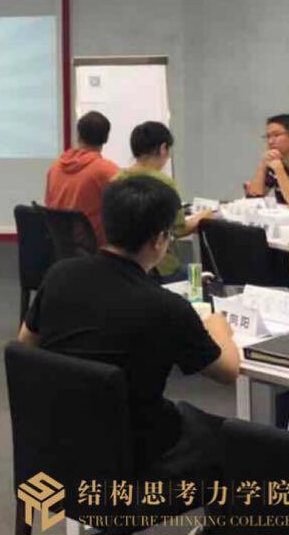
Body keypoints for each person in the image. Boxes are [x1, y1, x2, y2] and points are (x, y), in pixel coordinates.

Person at [19, 176, 239, 477]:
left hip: (59, 439)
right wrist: (219, 328)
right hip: (137, 451)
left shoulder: (59, 274)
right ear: (159, 240)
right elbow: (228, 371)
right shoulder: (166, 307)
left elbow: (25, 345)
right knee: (234, 442)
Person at [111, 121, 213, 277]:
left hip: (123, 266)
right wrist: (204, 216)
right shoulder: (164, 184)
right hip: (159, 268)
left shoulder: (116, 180)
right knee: (205, 277)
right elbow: (178, 229)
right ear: (163, 148)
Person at [44, 111, 120, 244]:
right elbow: (124, 210)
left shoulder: (54, 168)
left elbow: (49, 205)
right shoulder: (108, 171)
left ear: (78, 136)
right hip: (95, 249)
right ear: (106, 138)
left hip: (58, 248)